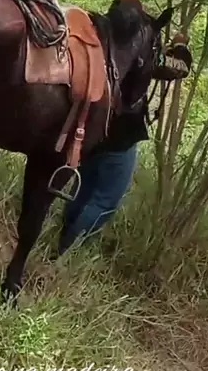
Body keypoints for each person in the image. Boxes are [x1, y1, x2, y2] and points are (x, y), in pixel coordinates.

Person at [57, 32, 193, 256]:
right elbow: (179, 67)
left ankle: (62, 238)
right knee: (105, 200)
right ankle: (67, 250)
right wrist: (179, 45)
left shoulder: (103, 39)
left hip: (90, 129)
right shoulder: (142, 53)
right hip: (121, 136)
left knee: (84, 188)